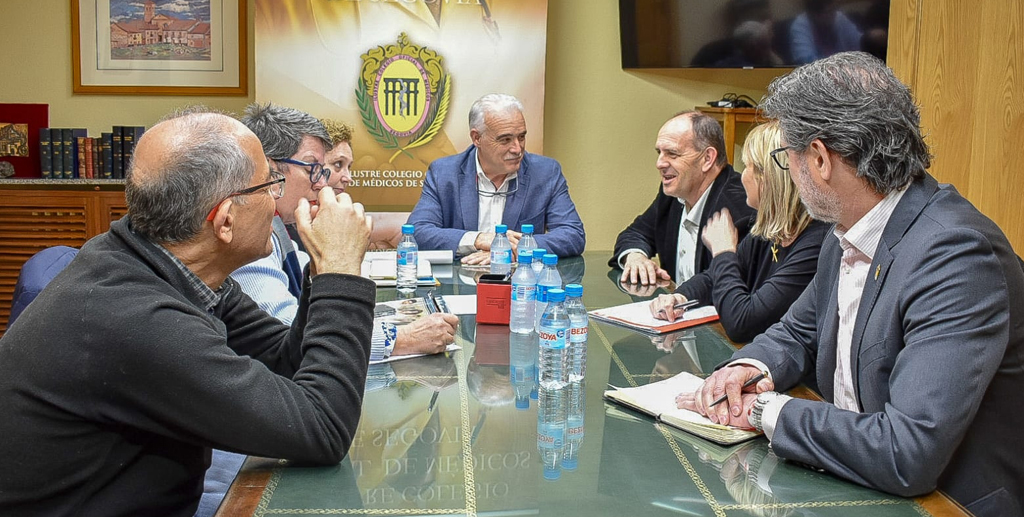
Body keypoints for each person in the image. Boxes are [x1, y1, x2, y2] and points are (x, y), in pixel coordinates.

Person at [0, 109, 376, 517]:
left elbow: (286, 362)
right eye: (268, 185)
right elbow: (322, 431)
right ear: (223, 220)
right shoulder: (135, 318)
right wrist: (343, 272)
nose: (279, 196)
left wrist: (322, 270)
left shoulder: (169, 266)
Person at [681, 52, 1024, 517]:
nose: (790, 174)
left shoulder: (955, 254)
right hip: (858, 505)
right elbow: (799, 330)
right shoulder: (845, 230)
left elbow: (908, 450)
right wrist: (750, 368)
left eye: (788, 158)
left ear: (818, 159)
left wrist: (763, 412)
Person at [232, 103, 458, 360]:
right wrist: (403, 339)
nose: (320, 183)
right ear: (270, 169)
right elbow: (288, 335)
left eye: (322, 171)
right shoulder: (250, 232)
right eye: (311, 169)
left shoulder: (277, 227)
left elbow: (318, 289)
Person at [648, 121, 828, 343]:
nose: (742, 177)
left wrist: (723, 252)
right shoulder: (769, 229)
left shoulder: (815, 243)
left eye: (749, 167)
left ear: (771, 177)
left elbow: (741, 323)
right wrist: (680, 297)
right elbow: (712, 278)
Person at [407, 93, 586, 264]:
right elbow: (417, 232)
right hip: (459, 285)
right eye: (505, 140)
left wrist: (515, 248)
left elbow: (572, 234)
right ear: (477, 138)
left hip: (520, 285)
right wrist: (479, 239)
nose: (517, 148)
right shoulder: (444, 173)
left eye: (521, 137)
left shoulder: (545, 173)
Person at [612, 111, 756, 285]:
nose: (660, 163)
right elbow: (636, 233)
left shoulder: (740, 207)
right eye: (659, 152)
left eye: (672, 154)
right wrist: (635, 257)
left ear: (707, 158)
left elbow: (724, 285)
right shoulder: (676, 193)